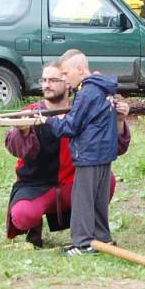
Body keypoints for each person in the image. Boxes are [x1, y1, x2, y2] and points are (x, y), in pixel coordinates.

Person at [5, 62, 131, 249]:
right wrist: (22, 131)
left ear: (67, 82)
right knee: (23, 215)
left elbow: (113, 147)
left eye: (54, 79)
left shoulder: (85, 107)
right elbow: (17, 149)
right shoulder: (31, 111)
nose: (47, 85)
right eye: (44, 80)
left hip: (73, 185)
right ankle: (35, 226)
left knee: (107, 181)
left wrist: (119, 121)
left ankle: (92, 231)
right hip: (38, 185)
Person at [45, 49, 120, 256]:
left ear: (79, 69)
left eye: (66, 74)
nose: (65, 80)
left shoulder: (86, 92)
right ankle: (102, 238)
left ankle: (82, 243)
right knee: (98, 199)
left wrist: (48, 121)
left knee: (83, 201)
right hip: (104, 153)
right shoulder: (104, 89)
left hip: (89, 153)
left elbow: (70, 127)